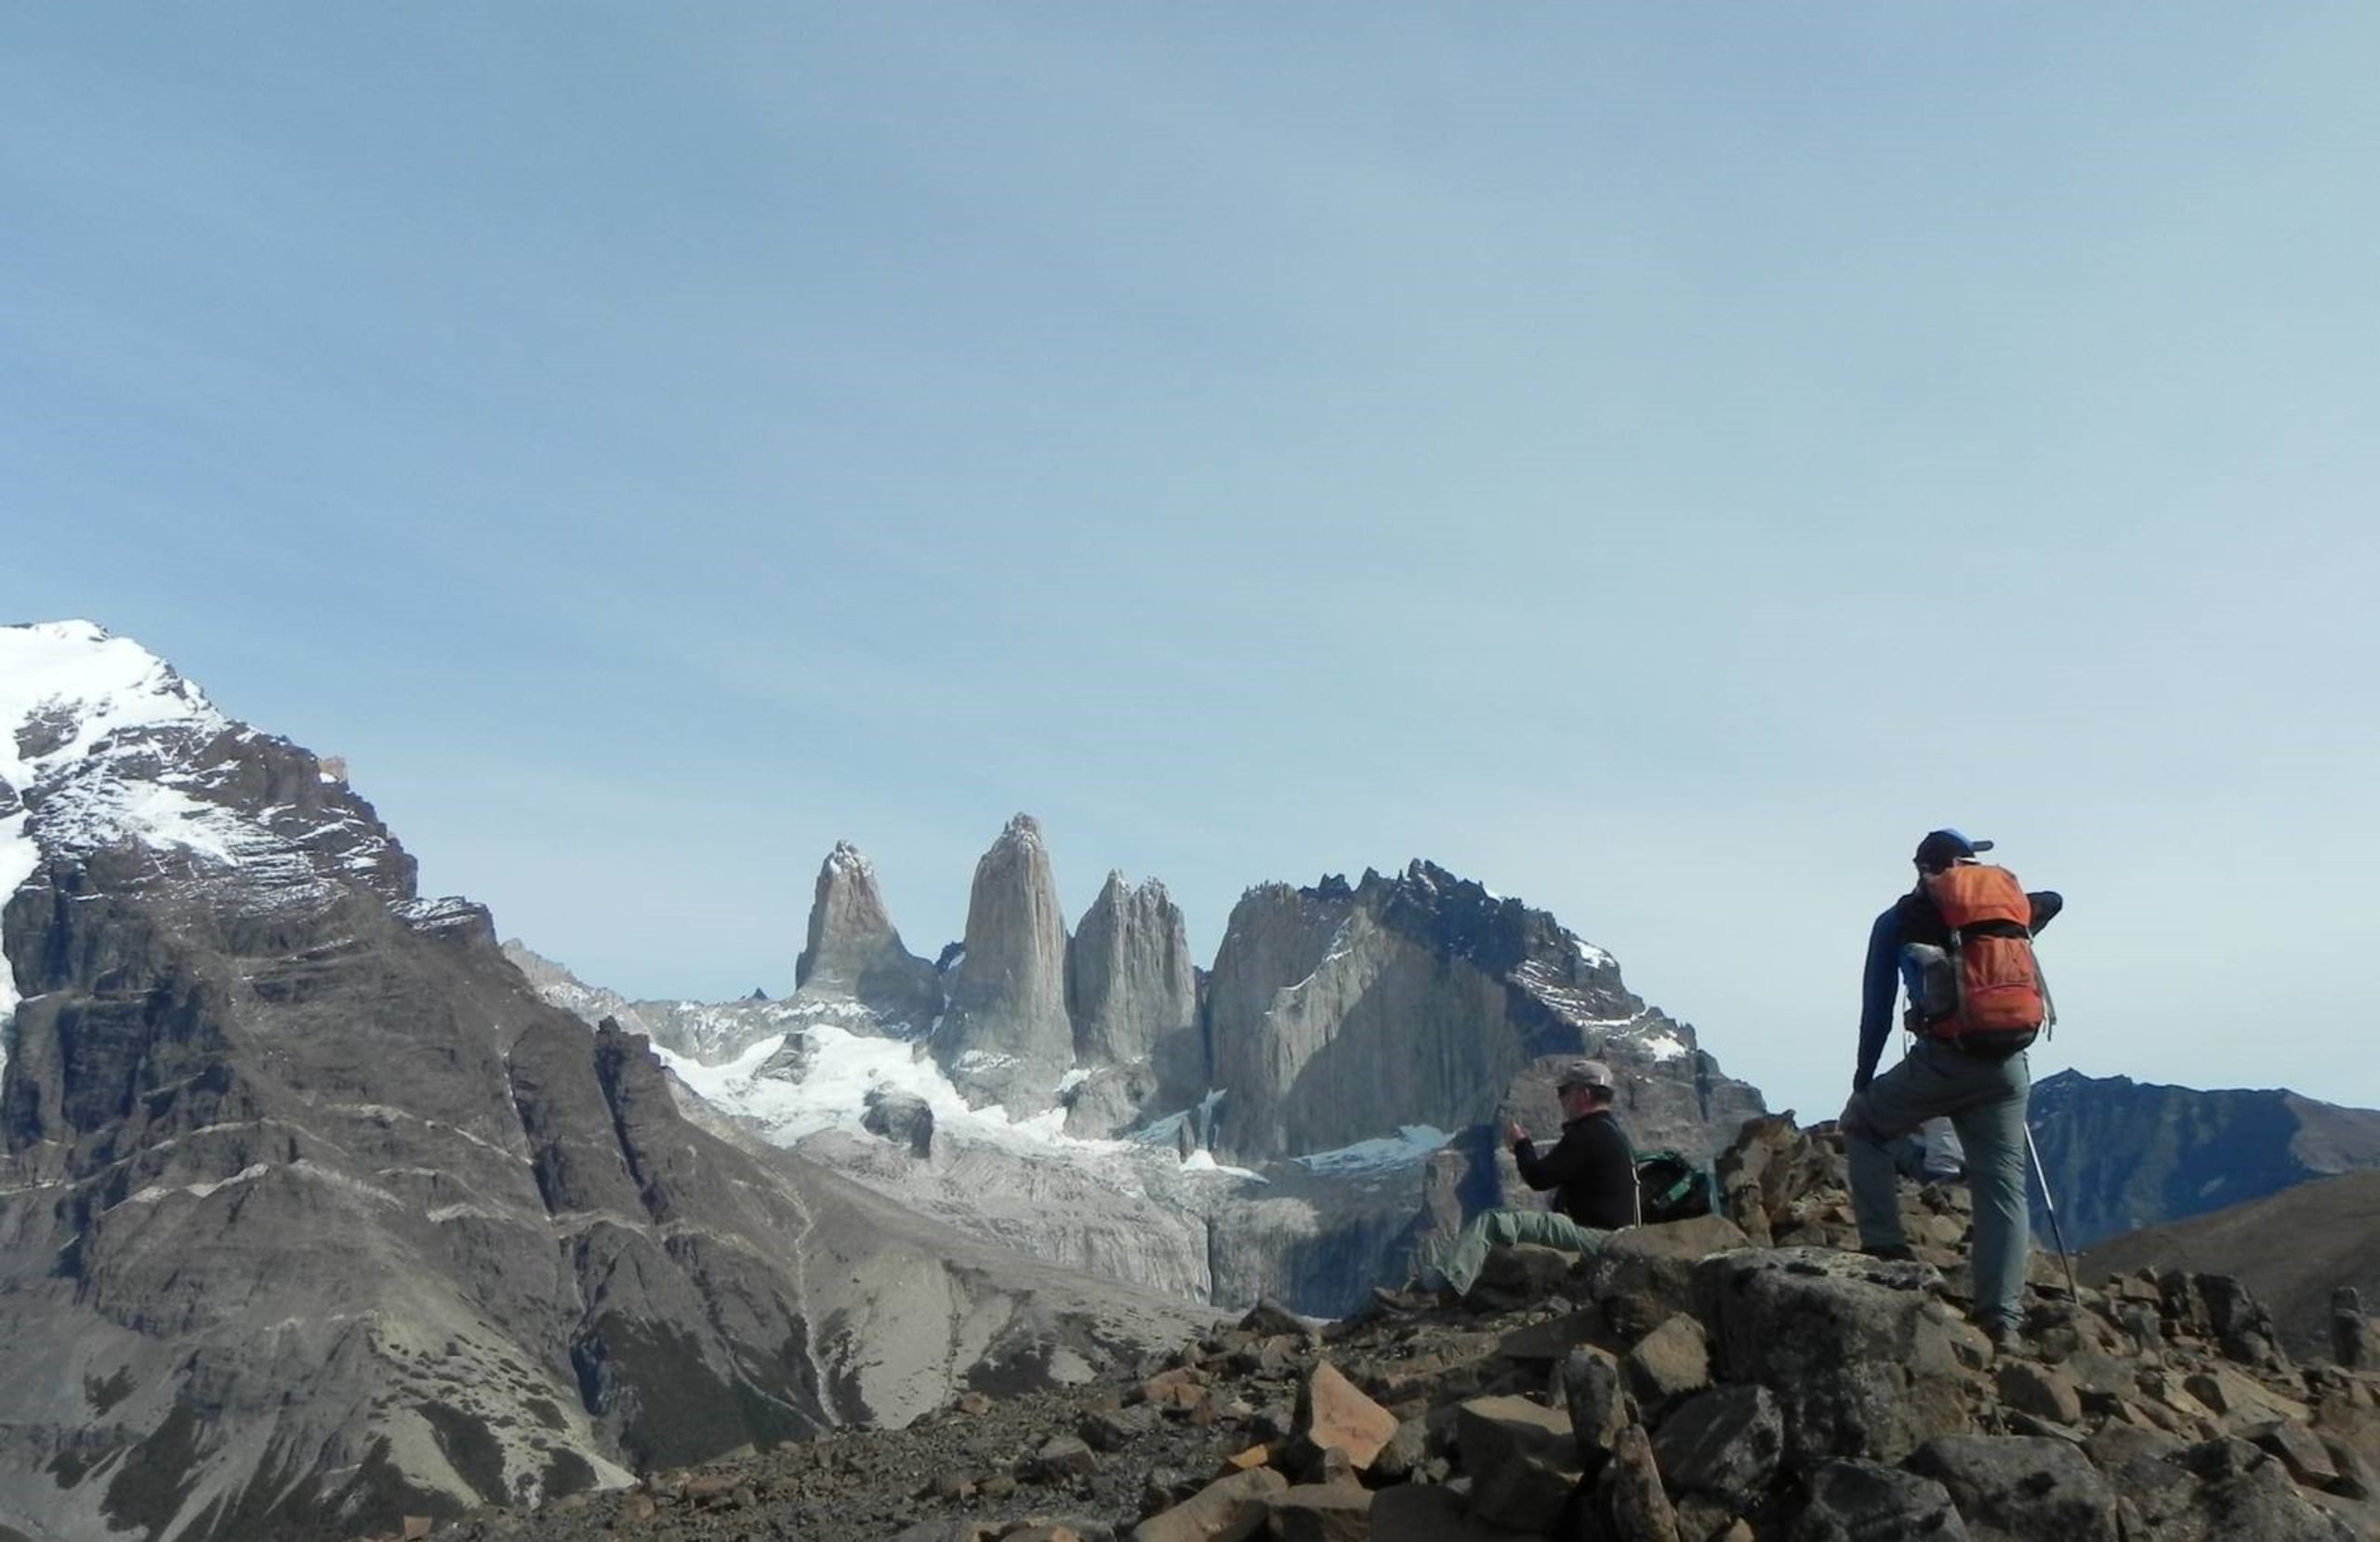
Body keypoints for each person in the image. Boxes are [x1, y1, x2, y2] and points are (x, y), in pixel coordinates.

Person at [1844, 828, 2063, 1349]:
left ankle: (1885, 1249)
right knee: (2002, 1185)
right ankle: (2002, 1320)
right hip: (2008, 1064)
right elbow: (2055, 901)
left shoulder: (1899, 920)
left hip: (1944, 1060)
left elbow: (1876, 1011)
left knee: (1862, 1126)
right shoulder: (2010, 914)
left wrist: (1862, 1080)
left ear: (1920, 867)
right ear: (1964, 864)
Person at [1427, 1059, 1639, 1299]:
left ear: (1584, 1094)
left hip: (1599, 1239)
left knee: (1494, 1222)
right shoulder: (1610, 1131)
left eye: (1563, 1091)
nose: (1560, 1099)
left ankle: (1439, 1290)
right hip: (1617, 1237)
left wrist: (1521, 1144)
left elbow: (1539, 1178)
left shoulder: (1588, 1134)